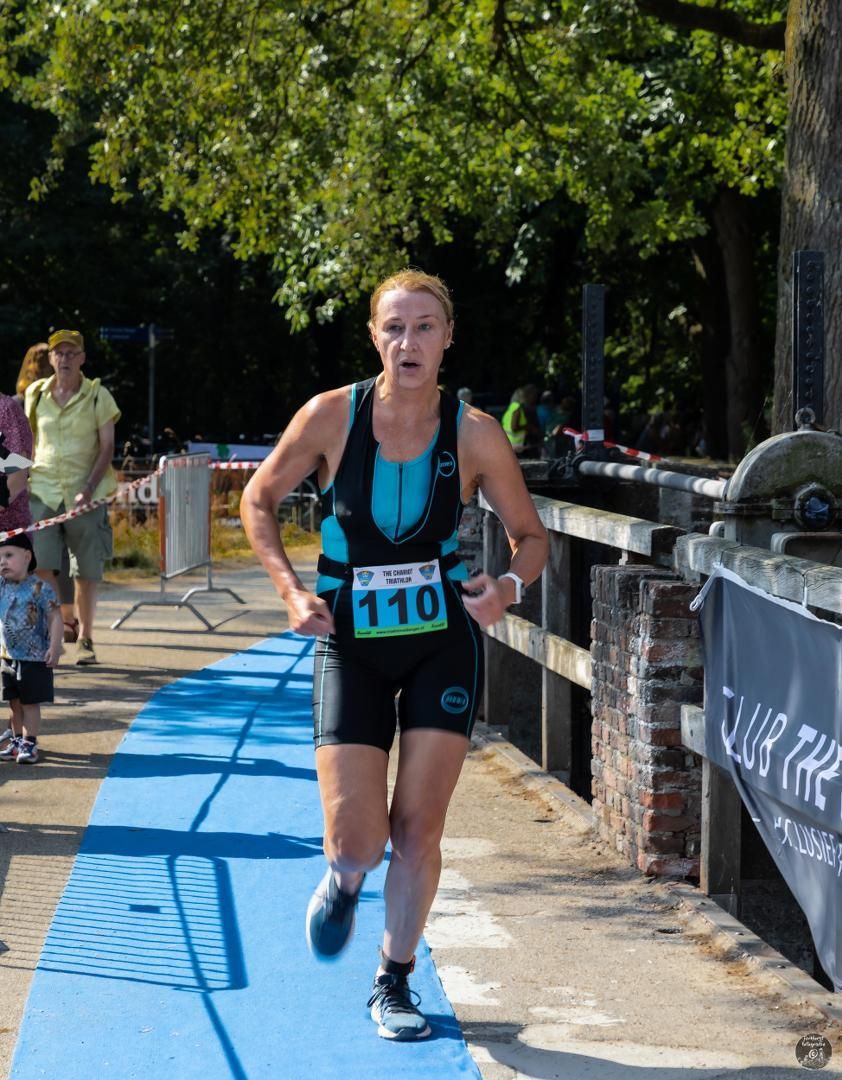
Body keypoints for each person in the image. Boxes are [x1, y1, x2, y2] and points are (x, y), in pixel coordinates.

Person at [241, 269, 548, 1042]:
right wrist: (288, 591)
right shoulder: (329, 417)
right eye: (393, 327)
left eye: (423, 327)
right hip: (351, 641)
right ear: (374, 336)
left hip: (442, 639)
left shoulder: (475, 431)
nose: (407, 342)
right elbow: (258, 500)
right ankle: (345, 880)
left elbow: (531, 537)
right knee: (360, 841)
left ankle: (394, 980)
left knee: (417, 831)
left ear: (447, 338)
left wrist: (507, 586)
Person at [24, 329, 120, 665]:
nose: (64, 359)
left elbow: (107, 447)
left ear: (82, 358)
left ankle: (86, 638)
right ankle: (54, 634)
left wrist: (89, 487)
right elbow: (28, 443)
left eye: (71, 353)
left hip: (86, 496)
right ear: (50, 358)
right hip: (44, 491)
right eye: (58, 353)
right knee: (42, 566)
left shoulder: (98, 396)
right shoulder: (35, 395)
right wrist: (18, 483)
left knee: (86, 570)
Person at [14, 342, 77, 643]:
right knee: (57, 560)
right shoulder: (40, 400)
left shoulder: (18, 402)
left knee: (34, 561)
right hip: (49, 488)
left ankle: (40, 623)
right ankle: (66, 620)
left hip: (28, 490)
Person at [0, 533, 62, 764]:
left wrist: (55, 647)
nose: (3, 562)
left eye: (8, 555)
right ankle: (17, 740)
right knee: (13, 703)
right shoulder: (1, 586)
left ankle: (30, 742)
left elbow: (56, 617)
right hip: (7, 656)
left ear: (27, 556)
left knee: (29, 703)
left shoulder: (39, 588)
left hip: (34, 657)